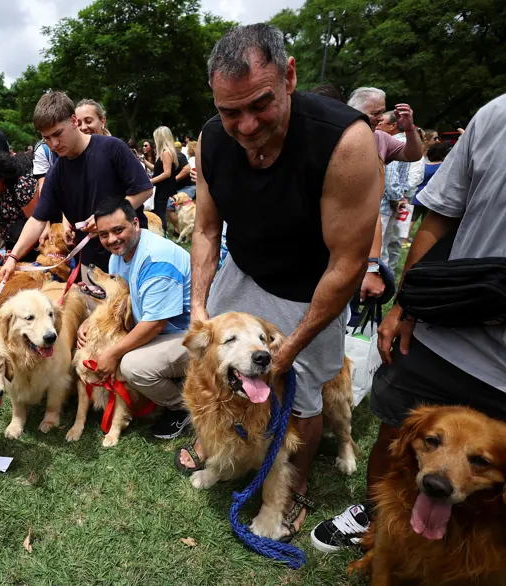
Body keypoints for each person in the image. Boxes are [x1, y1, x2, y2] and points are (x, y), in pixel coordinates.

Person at [185, 24, 381, 539]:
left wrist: (288, 348)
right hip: (244, 269)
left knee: (301, 397)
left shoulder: (346, 142)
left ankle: (291, 492)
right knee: (212, 369)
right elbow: (206, 230)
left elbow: (347, 264)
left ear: (290, 76)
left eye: (260, 105)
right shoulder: (211, 139)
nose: (246, 126)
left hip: (310, 285)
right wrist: (199, 305)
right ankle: (227, 452)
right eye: (231, 112)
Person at [311, 93, 506, 552]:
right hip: (445, 328)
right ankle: (376, 513)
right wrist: (407, 306)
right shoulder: (496, 114)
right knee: (397, 430)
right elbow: (439, 215)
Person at [1, 92, 153, 283]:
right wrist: (14, 258)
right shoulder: (56, 173)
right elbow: (37, 220)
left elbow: (144, 189)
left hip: (131, 252)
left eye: (57, 134)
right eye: (46, 138)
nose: (53, 144)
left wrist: (107, 219)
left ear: (74, 121)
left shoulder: (112, 148)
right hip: (91, 264)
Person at [76, 197, 193, 438]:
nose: (111, 239)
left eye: (118, 230)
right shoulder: (119, 255)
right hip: (160, 332)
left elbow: (155, 325)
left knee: (133, 366)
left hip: (189, 336)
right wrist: (88, 323)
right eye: (104, 234)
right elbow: (117, 301)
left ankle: (181, 407)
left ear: (136, 223)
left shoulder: (156, 259)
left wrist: (112, 354)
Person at [346, 87, 422, 301]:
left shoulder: (380, 138)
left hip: (371, 219)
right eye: (375, 113)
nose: (381, 118)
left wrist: (409, 129)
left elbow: (413, 154)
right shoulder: (339, 134)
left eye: (382, 112)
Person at [376, 111, 411, 268]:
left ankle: (378, 278)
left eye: (381, 122)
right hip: (393, 202)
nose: (377, 123)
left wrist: (397, 199)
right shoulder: (404, 142)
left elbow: (390, 176)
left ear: (393, 126)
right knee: (387, 243)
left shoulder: (393, 143)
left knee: (379, 247)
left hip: (386, 203)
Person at [150, 126, 179, 230]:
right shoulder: (166, 152)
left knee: (160, 214)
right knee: (161, 213)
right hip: (164, 188)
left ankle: (162, 234)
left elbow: (167, 173)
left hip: (163, 189)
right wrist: (144, 162)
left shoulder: (166, 152)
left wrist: (150, 181)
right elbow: (159, 170)